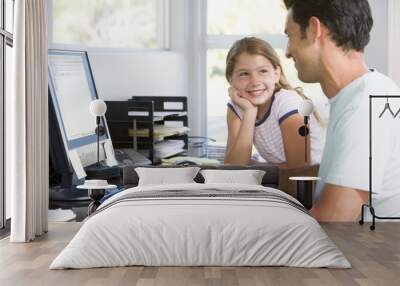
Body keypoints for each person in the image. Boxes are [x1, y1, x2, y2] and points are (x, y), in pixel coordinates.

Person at [284, 0, 400, 221]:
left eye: (290, 36)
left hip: (364, 253)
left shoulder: (365, 104)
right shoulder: (359, 94)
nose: (288, 51)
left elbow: (334, 220)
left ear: (314, 29)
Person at [224, 37, 324, 169]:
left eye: (263, 71)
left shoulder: (287, 103)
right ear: (231, 80)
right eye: (244, 74)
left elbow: (298, 170)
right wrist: (250, 112)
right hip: (281, 179)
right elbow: (233, 167)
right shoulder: (240, 105)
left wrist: (256, 167)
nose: (255, 81)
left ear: (276, 74)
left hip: (314, 181)